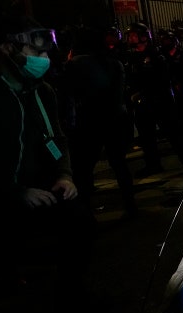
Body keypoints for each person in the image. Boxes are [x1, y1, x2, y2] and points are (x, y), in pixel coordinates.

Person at [0, 10, 96, 313]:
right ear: (7, 48)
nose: (43, 58)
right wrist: (14, 191)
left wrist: (64, 175)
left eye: (46, 50)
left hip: (32, 189)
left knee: (78, 219)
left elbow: (56, 139)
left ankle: (71, 293)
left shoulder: (41, 91)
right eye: (36, 50)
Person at [60, 25, 138, 219]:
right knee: (119, 164)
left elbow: (68, 95)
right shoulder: (114, 63)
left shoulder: (75, 64)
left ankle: (85, 212)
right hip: (114, 119)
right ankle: (131, 206)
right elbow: (120, 94)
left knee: (84, 169)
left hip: (89, 122)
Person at [124, 22, 183, 176]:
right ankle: (153, 165)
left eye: (134, 35)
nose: (130, 38)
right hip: (142, 105)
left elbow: (162, 79)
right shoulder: (131, 57)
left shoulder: (156, 56)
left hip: (161, 102)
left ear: (143, 37)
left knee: (173, 133)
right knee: (147, 137)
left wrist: (144, 93)